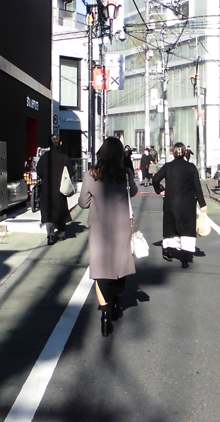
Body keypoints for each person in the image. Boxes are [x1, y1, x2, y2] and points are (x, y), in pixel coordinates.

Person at [79, 136, 140, 337]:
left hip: (99, 228)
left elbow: (83, 203)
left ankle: (105, 315)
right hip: (121, 226)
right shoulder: (125, 173)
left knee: (101, 270)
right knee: (120, 267)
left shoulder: (91, 175)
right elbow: (134, 192)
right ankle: (117, 304)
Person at [152, 142, 206, 269]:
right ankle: (185, 258)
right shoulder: (191, 167)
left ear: (173, 152)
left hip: (171, 202)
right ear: (185, 153)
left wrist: (160, 190)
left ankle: (168, 251)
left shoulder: (168, 166)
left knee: (171, 227)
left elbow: (155, 179)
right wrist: (202, 204)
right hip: (187, 203)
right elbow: (197, 187)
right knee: (186, 229)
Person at [36, 134, 76, 245]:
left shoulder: (44, 158)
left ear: (49, 144)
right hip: (60, 189)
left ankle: (50, 235)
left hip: (47, 189)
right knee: (61, 211)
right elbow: (72, 172)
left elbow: (39, 172)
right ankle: (61, 233)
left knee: (48, 212)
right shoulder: (64, 158)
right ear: (61, 143)